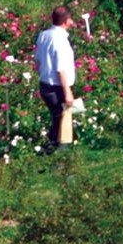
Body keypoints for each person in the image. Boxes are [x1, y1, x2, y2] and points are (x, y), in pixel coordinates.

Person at [35, 8, 77, 149]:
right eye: (70, 19)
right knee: (61, 121)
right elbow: (61, 69)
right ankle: (57, 152)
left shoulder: (44, 35)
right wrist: (67, 92)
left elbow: (38, 61)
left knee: (57, 118)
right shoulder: (60, 41)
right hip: (57, 87)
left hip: (45, 84)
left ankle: (53, 147)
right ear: (66, 21)